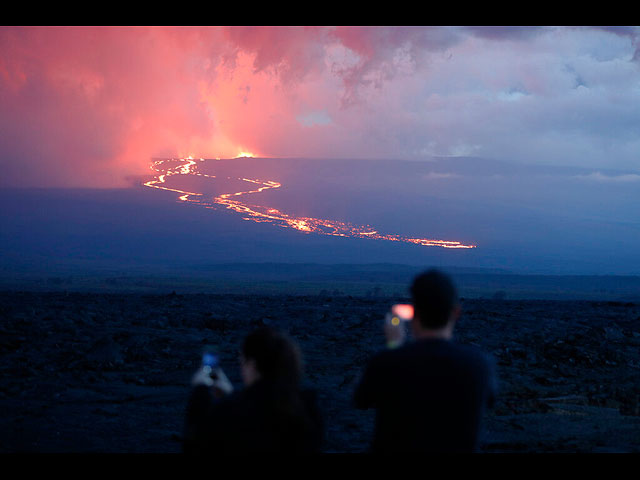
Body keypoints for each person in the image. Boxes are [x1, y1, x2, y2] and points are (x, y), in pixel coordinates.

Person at [354, 268, 497, 453]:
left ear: (413, 312)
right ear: (456, 312)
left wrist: (393, 345)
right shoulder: (479, 365)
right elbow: (490, 400)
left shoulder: (386, 363)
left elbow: (360, 399)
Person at [183, 327, 324, 454]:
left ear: (252, 364)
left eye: (242, 362)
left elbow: (195, 444)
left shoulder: (231, 413)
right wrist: (232, 398)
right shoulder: (307, 409)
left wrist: (200, 393)